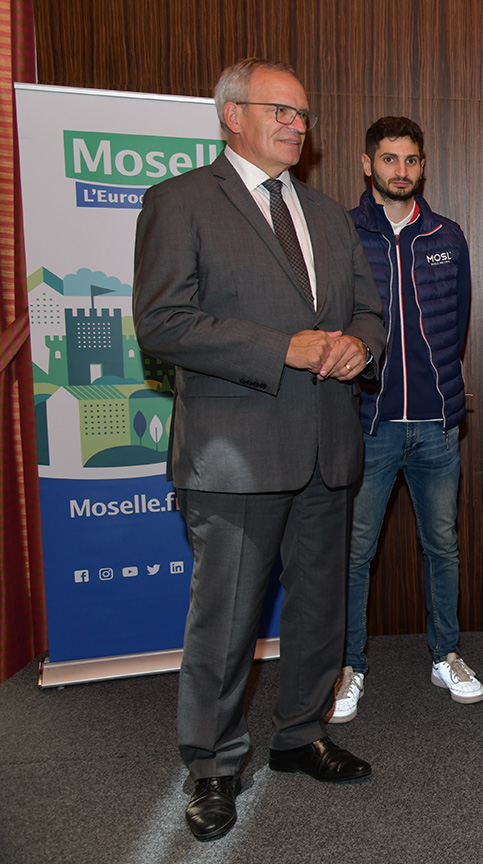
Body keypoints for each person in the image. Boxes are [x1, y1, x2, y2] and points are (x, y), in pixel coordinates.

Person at [133, 58, 384, 842]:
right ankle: (212, 765)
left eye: (303, 114)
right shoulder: (179, 202)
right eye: (281, 110)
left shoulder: (329, 215)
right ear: (232, 115)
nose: (297, 125)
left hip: (327, 447)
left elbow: (369, 312)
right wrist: (286, 349)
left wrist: (359, 347)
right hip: (234, 453)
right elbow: (163, 324)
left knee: (319, 609)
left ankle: (301, 734)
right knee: (228, 617)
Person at [330, 116, 478, 726]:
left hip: (437, 424)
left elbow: (457, 325)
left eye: (411, 160)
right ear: (368, 164)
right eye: (389, 159)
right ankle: (349, 666)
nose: (401, 170)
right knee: (355, 552)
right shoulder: (341, 231)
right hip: (369, 424)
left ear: (422, 166)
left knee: (442, 545)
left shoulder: (447, 235)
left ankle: (446, 654)